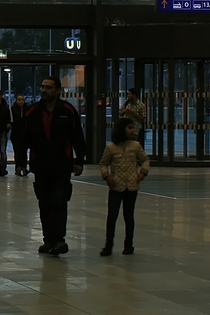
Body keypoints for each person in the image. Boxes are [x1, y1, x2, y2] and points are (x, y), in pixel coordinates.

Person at [25, 75, 87, 256]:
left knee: (59, 202)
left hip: (62, 165)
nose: (44, 90)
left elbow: (77, 137)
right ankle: (48, 240)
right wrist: (21, 162)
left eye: (49, 87)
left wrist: (79, 161)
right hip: (40, 166)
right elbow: (23, 138)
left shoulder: (67, 111)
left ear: (58, 91)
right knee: (44, 203)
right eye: (43, 87)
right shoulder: (33, 112)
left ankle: (59, 239)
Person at [99, 117, 150, 256]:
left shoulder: (136, 146)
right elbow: (103, 163)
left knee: (129, 216)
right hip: (116, 186)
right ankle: (108, 244)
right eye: (130, 128)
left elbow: (145, 160)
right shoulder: (111, 147)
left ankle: (129, 244)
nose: (133, 131)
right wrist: (107, 176)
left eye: (133, 128)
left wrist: (143, 173)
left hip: (132, 186)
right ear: (122, 130)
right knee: (112, 216)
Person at [11, 94, 30, 177]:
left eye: (22, 99)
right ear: (16, 100)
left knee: (24, 152)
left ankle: (24, 167)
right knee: (17, 151)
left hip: (25, 134)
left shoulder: (27, 109)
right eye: (19, 99)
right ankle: (18, 167)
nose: (21, 101)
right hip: (16, 133)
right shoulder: (12, 109)